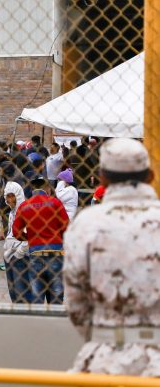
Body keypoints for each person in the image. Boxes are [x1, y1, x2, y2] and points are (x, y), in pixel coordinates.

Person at [64, 138, 160, 376]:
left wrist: (101, 336)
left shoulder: (85, 224)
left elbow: (76, 301)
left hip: (106, 357)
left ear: (102, 178)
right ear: (150, 176)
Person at [13, 175, 69, 304]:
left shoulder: (24, 206)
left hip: (35, 252)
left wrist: (30, 237)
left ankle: (38, 322)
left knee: (37, 296)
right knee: (56, 295)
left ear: (32, 188)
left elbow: (16, 232)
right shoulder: (55, 202)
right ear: (47, 188)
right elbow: (66, 227)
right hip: (56, 252)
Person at [2, 182, 31, 303]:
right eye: (7, 196)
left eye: (11, 196)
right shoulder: (12, 212)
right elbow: (10, 233)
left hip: (21, 257)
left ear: (18, 195)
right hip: (10, 255)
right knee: (13, 292)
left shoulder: (26, 210)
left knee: (21, 292)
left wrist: (19, 252)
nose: (9, 199)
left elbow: (30, 235)